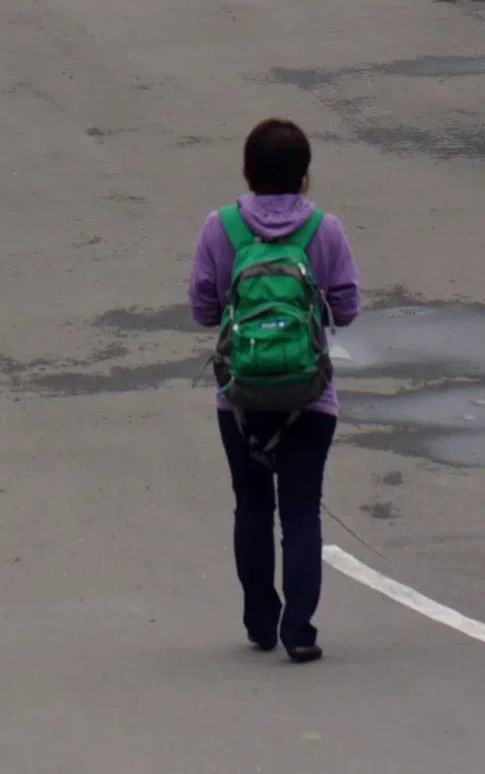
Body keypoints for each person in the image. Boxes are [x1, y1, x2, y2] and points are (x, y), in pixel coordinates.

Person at [188, 118, 359, 663]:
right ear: (305, 176)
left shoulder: (221, 228)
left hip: (240, 398)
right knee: (302, 509)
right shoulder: (325, 230)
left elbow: (203, 309)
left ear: (247, 170)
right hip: (310, 399)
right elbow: (348, 308)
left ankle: (260, 619)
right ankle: (299, 630)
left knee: (252, 506)